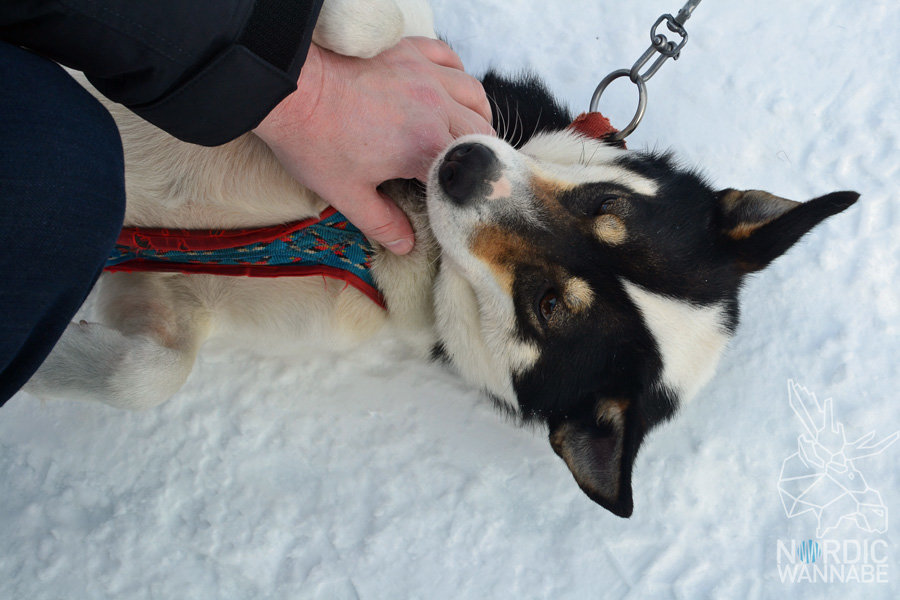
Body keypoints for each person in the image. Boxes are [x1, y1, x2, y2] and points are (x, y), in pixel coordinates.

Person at [0, 0, 493, 405]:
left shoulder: (346, 322)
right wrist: (304, 73)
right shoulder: (403, 39)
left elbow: (173, 290)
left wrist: (145, 365)